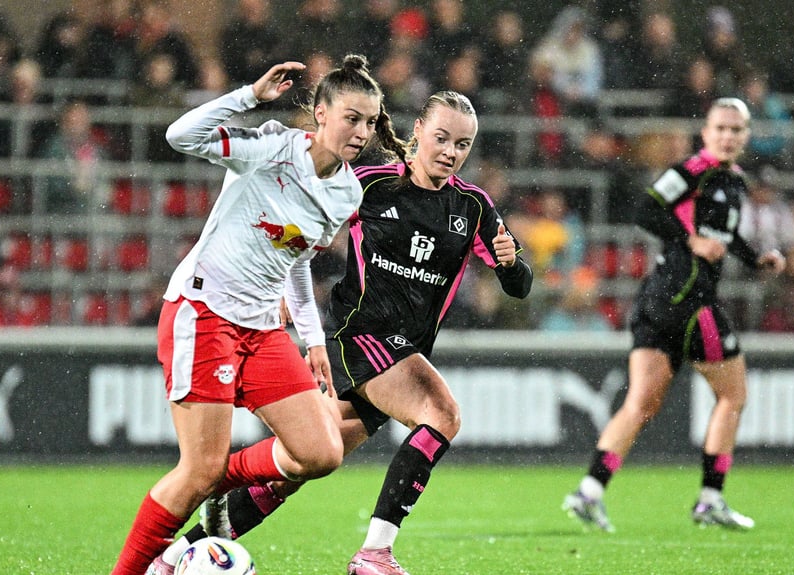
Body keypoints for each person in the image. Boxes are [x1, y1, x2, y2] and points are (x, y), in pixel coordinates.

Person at [150, 90, 533, 575]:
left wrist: (511, 262)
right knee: (442, 413)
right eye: (441, 138)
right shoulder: (369, 186)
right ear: (417, 131)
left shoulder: (473, 206)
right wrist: (280, 272)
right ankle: (374, 554)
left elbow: (518, 286)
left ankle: (173, 555)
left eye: (462, 144)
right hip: (359, 334)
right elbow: (305, 234)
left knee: (297, 467)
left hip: (401, 352)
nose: (450, 152)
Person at [111, 55, 404, 575]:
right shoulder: (270, 148)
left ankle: (214, 480)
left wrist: (313, 340)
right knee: (197, 468)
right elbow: (181, 136)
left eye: (370, 121)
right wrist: (249, 96)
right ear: (320, 113)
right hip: (204, 313)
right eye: (351, 118)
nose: (361, 132)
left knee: (320, 452)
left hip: (263, 328)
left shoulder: (347, 192)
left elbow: (295, 260)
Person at [562, 98, 786, 533]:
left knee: (640, 403)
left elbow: (723, 234)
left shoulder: (732, 180)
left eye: (736, 130)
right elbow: (646, 209)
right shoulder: (691, 172)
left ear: (746, 136)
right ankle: (710, 498)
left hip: (657, 299)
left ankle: (589, 491)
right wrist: (691, 241)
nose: (727, 136)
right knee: (733, 396)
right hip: (687, 298)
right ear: (705, 132)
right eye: (720, 128)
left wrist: (755, 259)